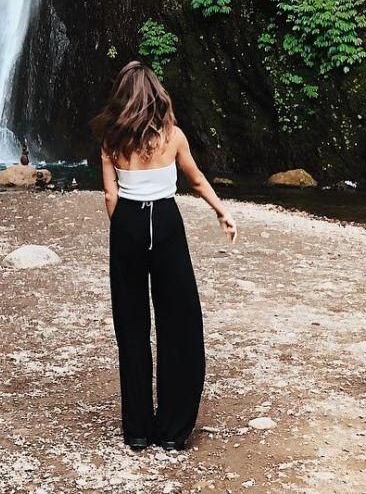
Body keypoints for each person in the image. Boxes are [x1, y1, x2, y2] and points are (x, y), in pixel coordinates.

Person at [92, 60, 237, 452]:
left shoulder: (111, 138)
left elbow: (110, 195)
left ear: (123, 98)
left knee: (132, 326)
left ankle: (138, 431)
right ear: (157, 96)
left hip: (126, 224)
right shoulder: (173, 137)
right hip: (167, 224)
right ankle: (173, 431)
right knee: (180, 322)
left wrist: (124, 230)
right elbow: (195, 180)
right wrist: (222, 210)